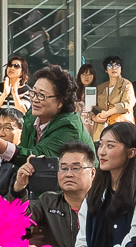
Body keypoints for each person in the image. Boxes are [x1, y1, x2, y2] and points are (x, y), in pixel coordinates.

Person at [10, 66, 92, 196]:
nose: (35, 99)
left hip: (73, 197)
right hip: (38, 192)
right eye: (34, 93)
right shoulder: (32, 116)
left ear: (60, 102)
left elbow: (37, 155)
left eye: (41, 95)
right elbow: (22, 155)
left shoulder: (69, 126)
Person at [26, 142, 93, 247]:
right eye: (63, 168)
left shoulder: (104, 204)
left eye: (76, 168)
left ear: (92, 173)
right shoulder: (47, 201)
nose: (68, 174)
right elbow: (19, 217)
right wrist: (19, 188)